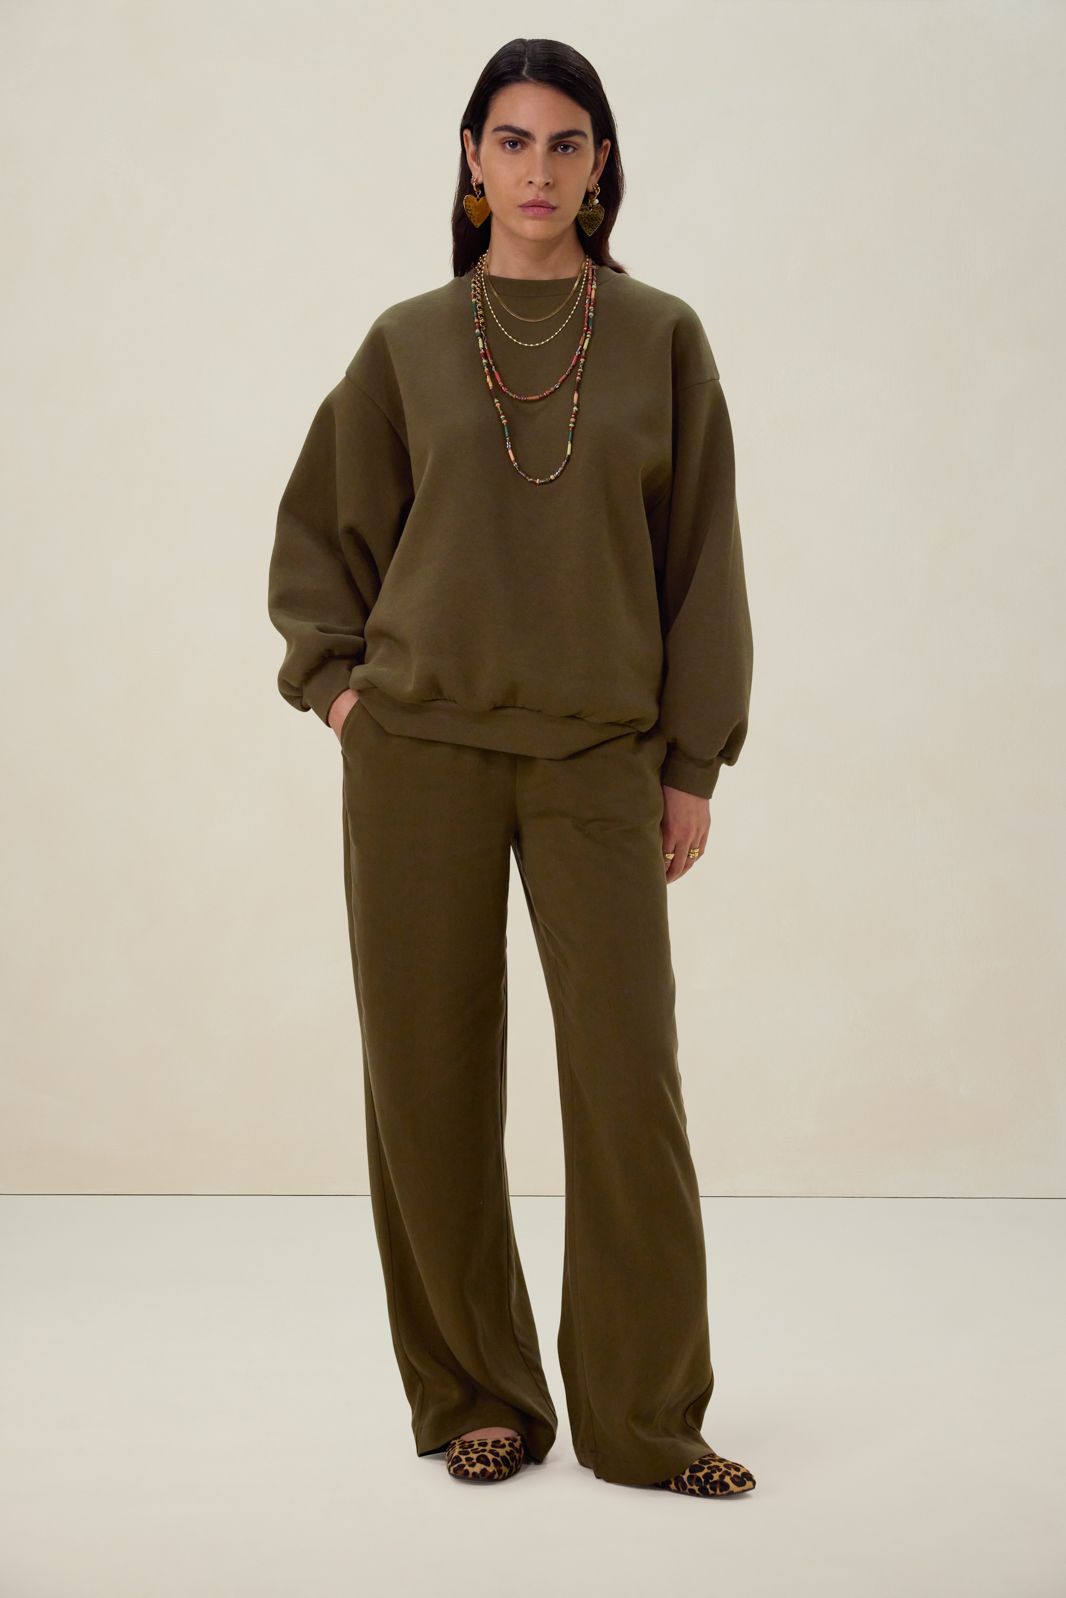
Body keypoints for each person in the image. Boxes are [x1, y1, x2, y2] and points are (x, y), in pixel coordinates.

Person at [267, 37, 756, 1498]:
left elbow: (702, 561)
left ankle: (645, 1418)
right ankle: (476, 1391)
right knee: (425, 1080)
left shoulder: (661, 337)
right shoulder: (408, 342)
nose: (539, 169)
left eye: (566, 142)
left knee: (627, 1084)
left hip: (599, 757)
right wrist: (342, 695)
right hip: (418, 753)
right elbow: (320, 536)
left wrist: (692, 761)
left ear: (601, 165)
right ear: (471, 162)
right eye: (512, 140)